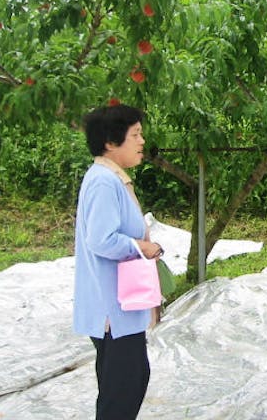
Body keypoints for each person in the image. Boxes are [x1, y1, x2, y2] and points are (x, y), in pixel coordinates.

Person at [74, 104, 164, 420]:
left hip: (121, 304)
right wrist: (142, 246)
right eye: (136, 134)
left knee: (128, 382)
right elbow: (101, 240)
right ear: (111, 142)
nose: (142, 142)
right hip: (112, 307)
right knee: (123, 389)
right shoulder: (103, 181)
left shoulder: (109, 177)